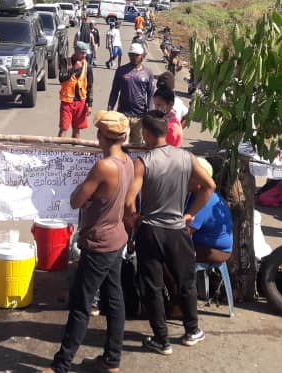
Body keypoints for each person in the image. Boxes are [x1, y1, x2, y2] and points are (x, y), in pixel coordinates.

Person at [43, 111, 133, 373]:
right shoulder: (126, 161)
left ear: (100, 137)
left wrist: (87, 194)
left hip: (99, 243)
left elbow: (75, 200)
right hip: (116, 239)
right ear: (125, 136)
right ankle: (112, 360)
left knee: (81, 306)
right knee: (114, 301)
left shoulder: (104, 166)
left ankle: (61, 365)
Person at [125, 110, 216, 355]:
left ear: (145, 133)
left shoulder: (142, 163)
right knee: (186, 282)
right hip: (177, 230)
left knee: (152, 286)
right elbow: (209, 186)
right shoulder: (187, 157)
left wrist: (133, 220)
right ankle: (192, 330)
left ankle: (161, 339)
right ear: (165, 131)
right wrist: (190, 213)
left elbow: (129, 201)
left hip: (151, 231)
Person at [107, 43, 155, 146]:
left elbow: (150, 94)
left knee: (136, 146)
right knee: (120, 144)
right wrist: (110, 108)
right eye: (131, 55)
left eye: (136, 55)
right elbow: (114, 91)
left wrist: (150, 112)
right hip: (123, 115)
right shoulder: (121, 71)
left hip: (139, 116)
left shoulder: (148, 73)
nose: (133, 57)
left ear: (142, 56)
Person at [187, 158, 232, 263]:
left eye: (192, 176)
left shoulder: (205, 200)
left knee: (169, 252)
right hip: (201, 242)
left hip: (215, 250)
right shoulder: (193, 194)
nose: (187, 178)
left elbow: (186, 231)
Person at [58, 42, 95, 138]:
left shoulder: (88, 66)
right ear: (75, 52)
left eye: (85, 53)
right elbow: (61, 78)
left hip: (80, 103)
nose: (84, 55)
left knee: (77, 129)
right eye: (82, 53)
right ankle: (57, 151)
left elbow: (90, 86)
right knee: (64, 128)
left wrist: (89, 104)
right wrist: (73, 69)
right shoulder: (65, 62)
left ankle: (75, 152)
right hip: (67, 102)